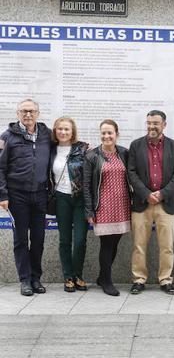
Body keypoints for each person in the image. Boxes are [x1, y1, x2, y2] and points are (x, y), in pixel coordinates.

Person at [128, 110, 174, 295]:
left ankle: (166, 280)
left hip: (165, 204)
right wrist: (145, 193)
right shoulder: (136, 145)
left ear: (164, 125)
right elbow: (132, 173)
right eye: (149, 123)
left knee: (167, 246)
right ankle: (139, 279)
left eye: (156, 123)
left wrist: (162, 194)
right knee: (139, 245)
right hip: (142, 204)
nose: (151, 126)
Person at [0, 99, 52, 296]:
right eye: (24, 111)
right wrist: (3, 194)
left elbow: (66, 144)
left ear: (38, 113)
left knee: (38, 239)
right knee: (21, 239)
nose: (28, 115)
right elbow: (0, 168)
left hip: (40, 195)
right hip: (16, 196)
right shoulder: (7, 137)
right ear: (17, 113)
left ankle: (36, 278)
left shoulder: (46, 135)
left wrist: (83, 148)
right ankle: (25, 280)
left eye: (31, 111)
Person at [83, 119, 131, 296]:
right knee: (106, 244)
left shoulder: (124, 153)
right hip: (103, 206)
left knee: (115, 243)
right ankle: (107, 281)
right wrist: (89, 210)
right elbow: (86, 186)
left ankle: (103, 276)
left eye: (110, 132)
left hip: (122, 205)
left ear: (117, 134)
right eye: (103, 133)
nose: (106, 136)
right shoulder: (91, 156)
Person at [49, 116, 89, 292]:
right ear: (55, 131)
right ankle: (68, 277)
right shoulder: (50, 150)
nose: (63, 132)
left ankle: (78, 274)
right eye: (60, 129)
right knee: (65, 240)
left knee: (80, 240)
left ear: (72, 132)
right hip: (61, 198)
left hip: (80, 199)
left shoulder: (82, 148)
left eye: (67, 129)